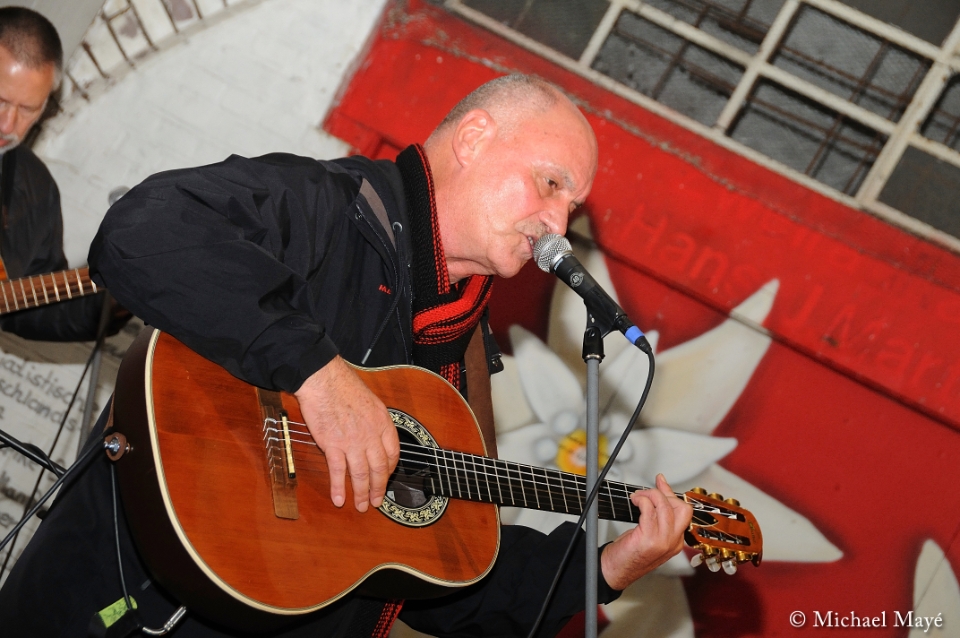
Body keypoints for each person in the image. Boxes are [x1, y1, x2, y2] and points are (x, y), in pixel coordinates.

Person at [0, 74, 692, 637]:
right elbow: (143, 230)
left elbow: (444, 577)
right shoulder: (329, 207)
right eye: (550, 184)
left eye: (572, 204)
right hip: (114, 611)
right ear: (474, 138)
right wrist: (317, 375)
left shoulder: (463, 358)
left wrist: (608, 567)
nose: (558, 222)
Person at [0, 7, 126, 342]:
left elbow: (33, 307)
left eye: (28, 109)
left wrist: (115, 303)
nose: (8, 124)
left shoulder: (35, 189)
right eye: (0, 100)